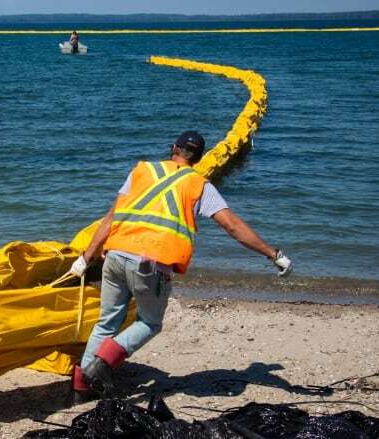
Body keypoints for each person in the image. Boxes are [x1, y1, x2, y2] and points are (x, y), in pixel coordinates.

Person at [68, 131, 293, 401]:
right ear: (198, 158)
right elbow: (232, 226)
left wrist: (85, 258)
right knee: (150, 322)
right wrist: (273, 253)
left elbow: (110, 217)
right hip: (150, 264)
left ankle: (81, 388)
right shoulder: (199, 185)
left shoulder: (142, 170)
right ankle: (102, 364)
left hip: (114, 256)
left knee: (106, 322)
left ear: (172, 148)